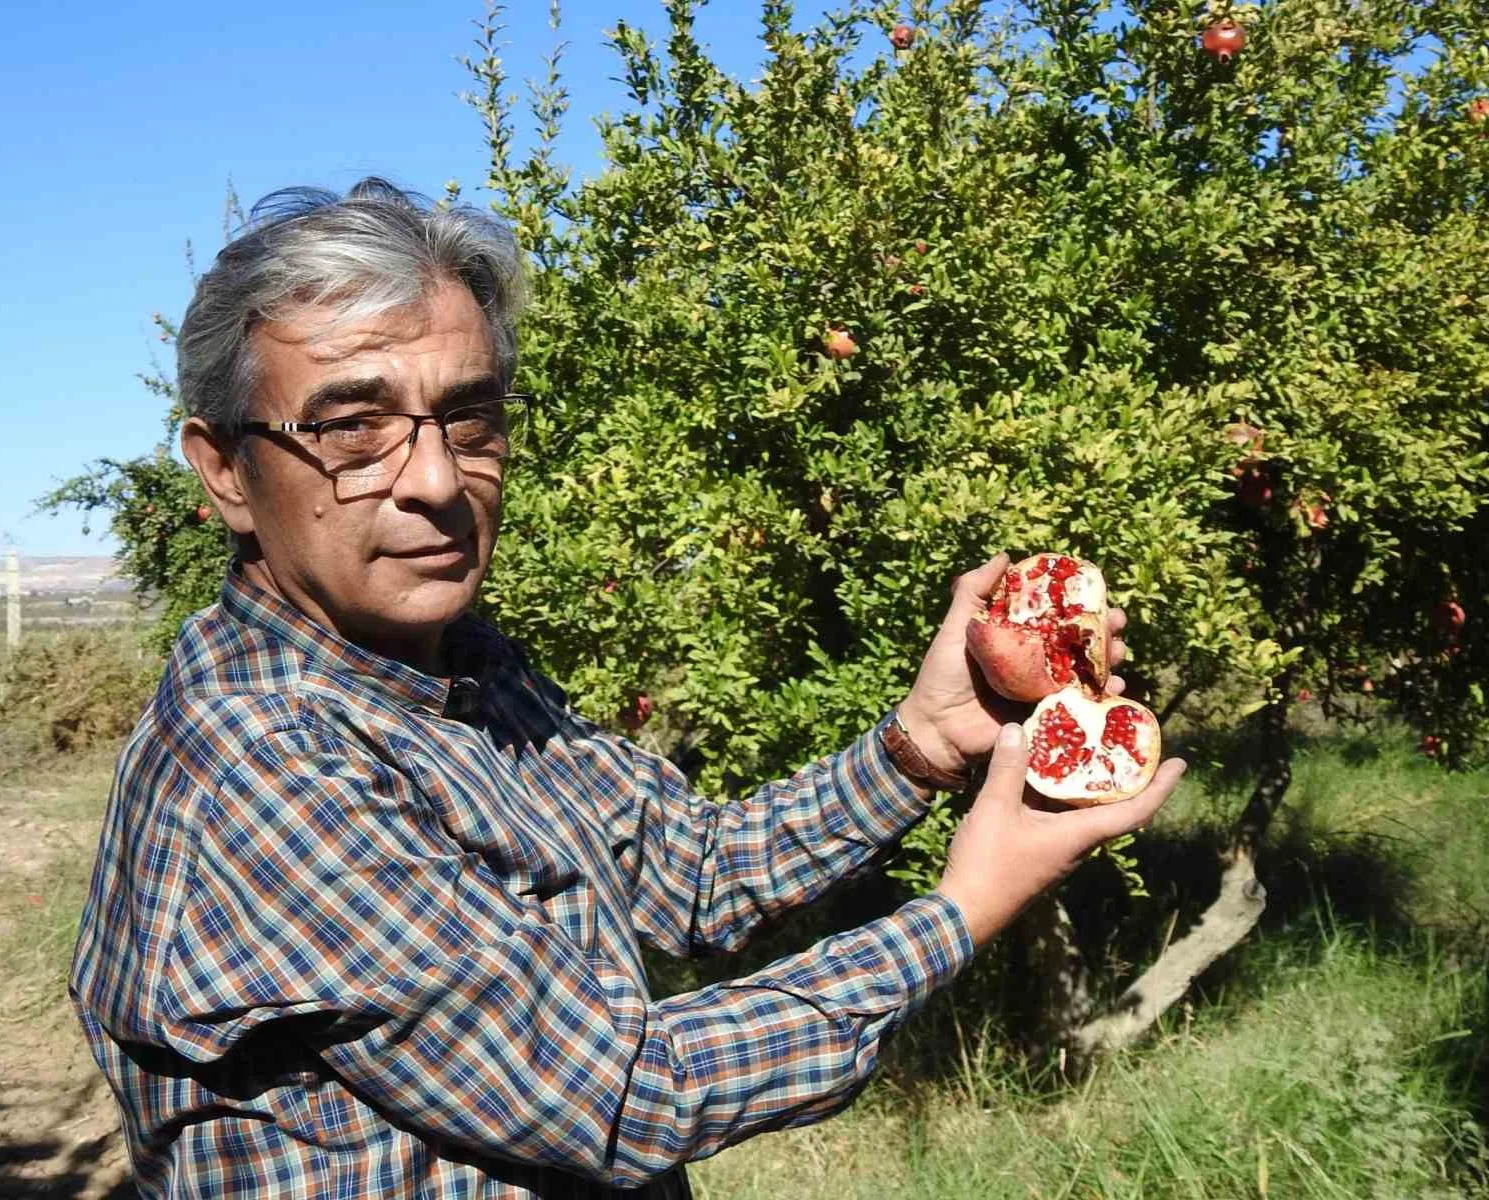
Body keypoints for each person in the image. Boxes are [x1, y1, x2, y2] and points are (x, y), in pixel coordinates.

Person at [70, 178, 1183, 1199]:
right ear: (224, 469)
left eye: (470, 417)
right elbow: (620, 1094)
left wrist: (920, 744)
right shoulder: (259, 762)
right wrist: (964, 907)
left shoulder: (457, 673)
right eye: (351, 428)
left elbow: (688, 873)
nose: (436, 481)